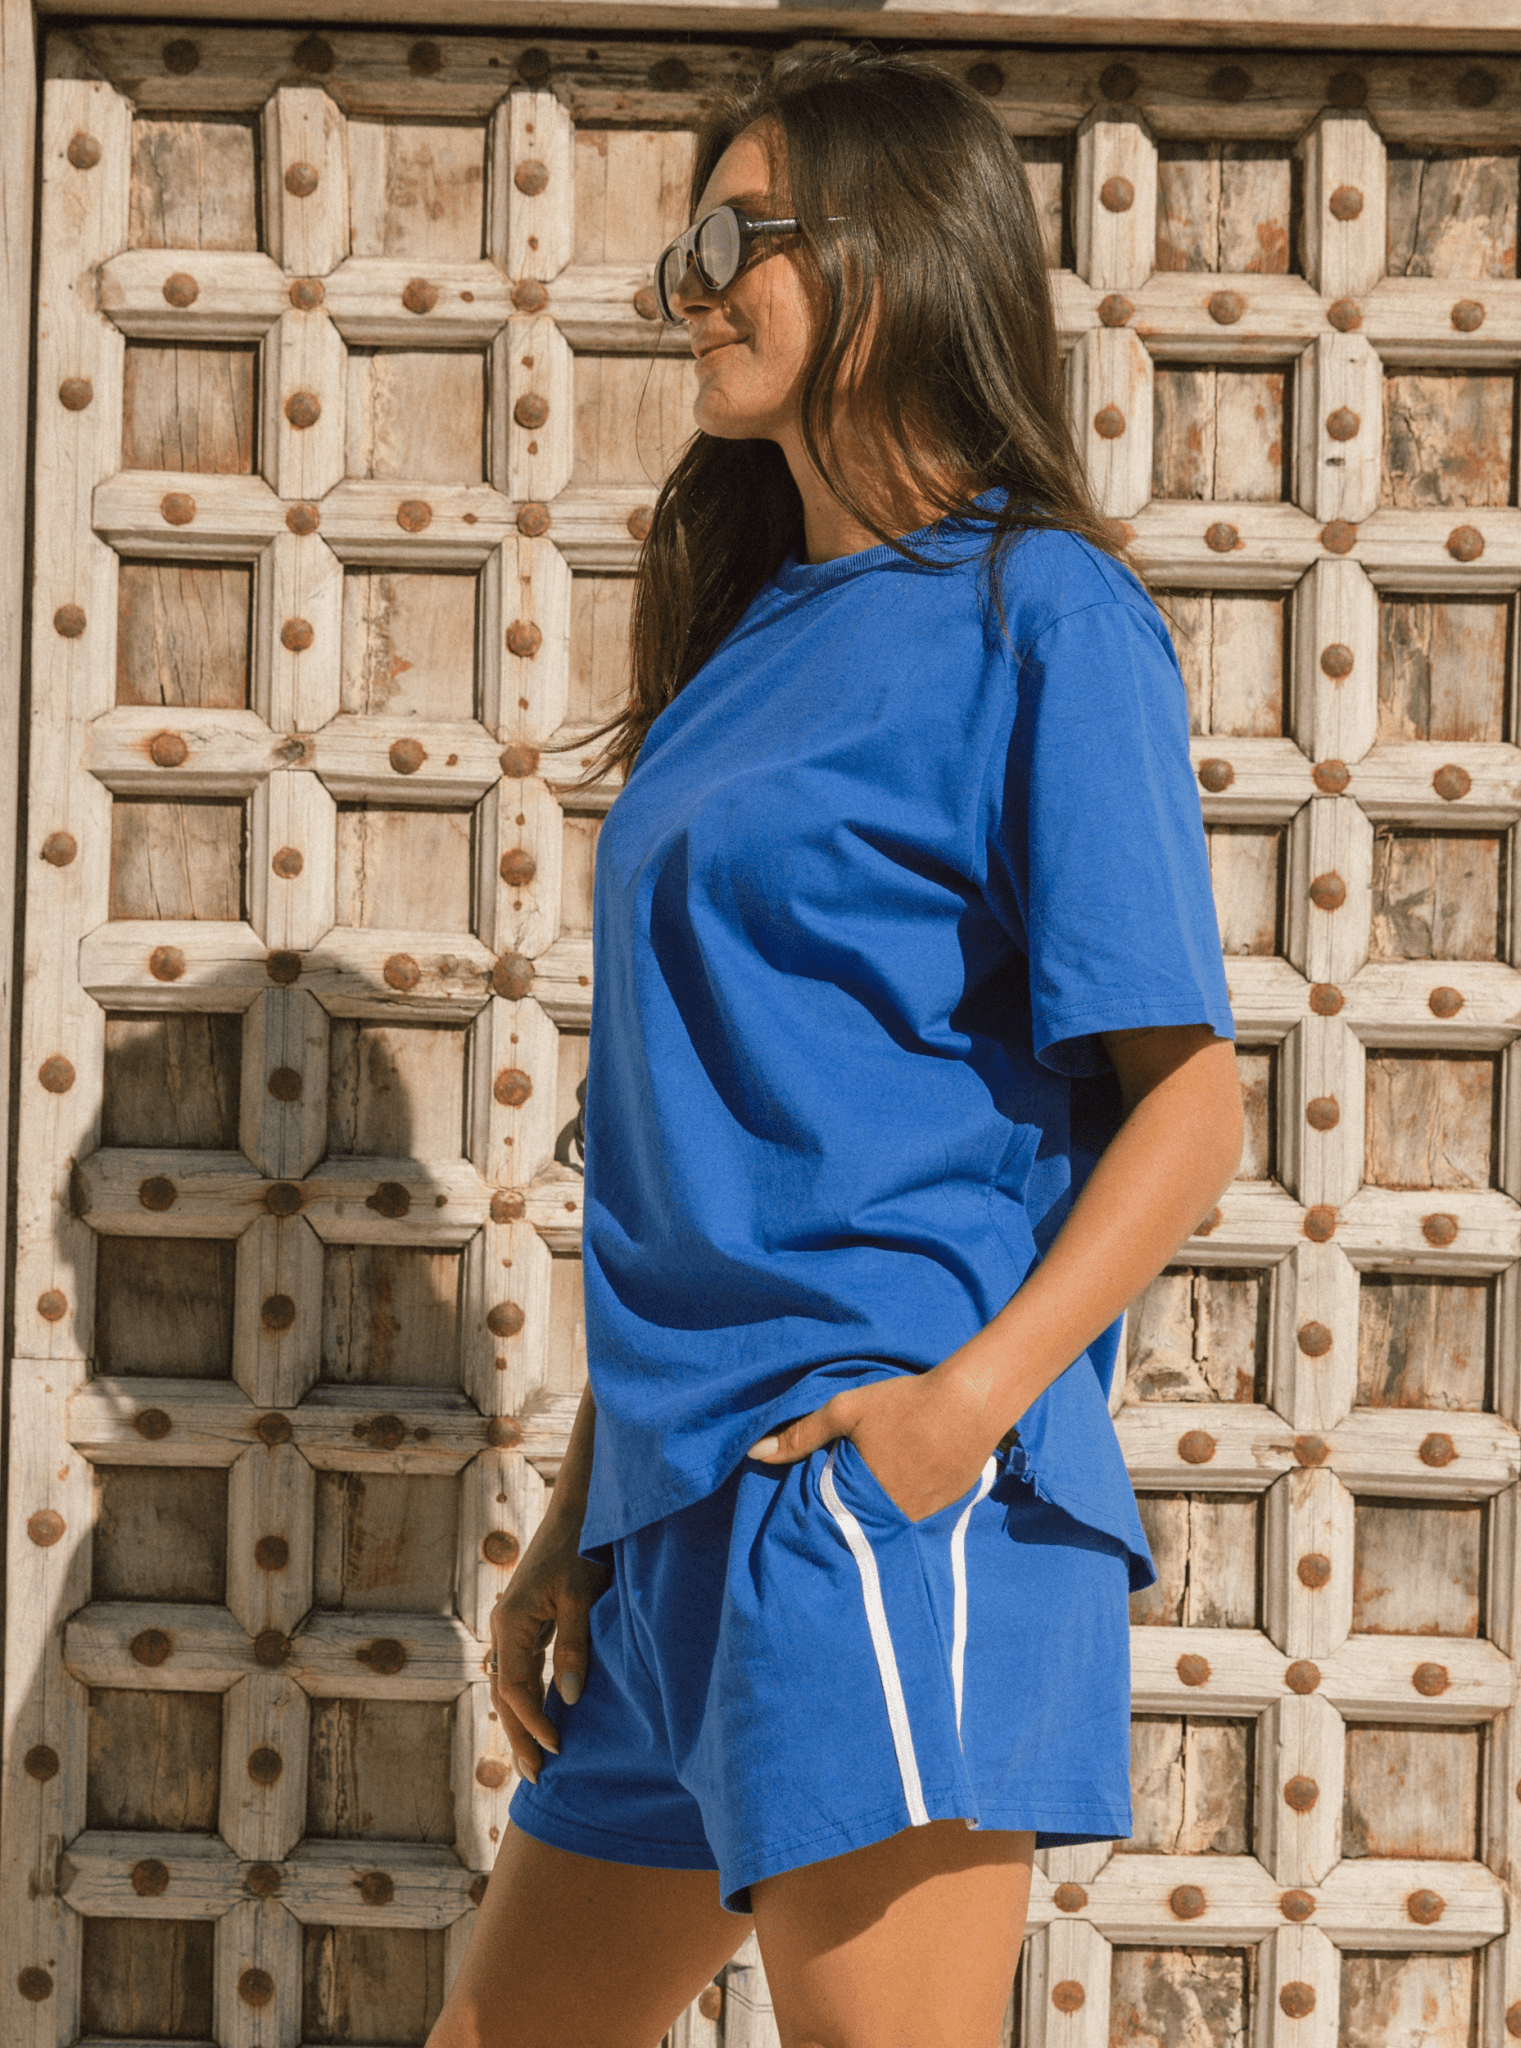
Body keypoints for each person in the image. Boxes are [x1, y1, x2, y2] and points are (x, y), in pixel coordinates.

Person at [430, 46, 1243, 2048]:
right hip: (673, 1522)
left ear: (890, 255)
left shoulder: (1042, 615)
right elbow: (699, 1135)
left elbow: (1190, 1106)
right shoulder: (741, 640)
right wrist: (581, 1514)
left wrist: (959, 1412)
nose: (688, 292)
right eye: (681, 256)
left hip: (870, 1501)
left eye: (735, 242)